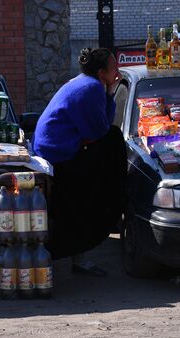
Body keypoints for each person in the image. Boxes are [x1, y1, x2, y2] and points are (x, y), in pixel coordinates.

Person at [33, 47, 127, 277]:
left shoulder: (85, 82)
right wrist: (112, 91)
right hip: (59, 153)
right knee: (113, 143)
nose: (117, 71)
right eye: (114, 67)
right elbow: (101, 129)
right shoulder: (92, 87)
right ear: (101, 72)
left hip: (55, 148)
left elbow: (95, 130)